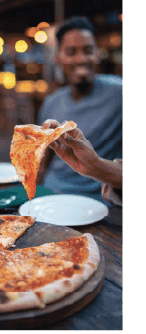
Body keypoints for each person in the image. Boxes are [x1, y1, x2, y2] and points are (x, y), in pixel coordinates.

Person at [35, 16, 122, 204]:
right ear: (58, 58)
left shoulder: (118, 92)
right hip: (50, 194)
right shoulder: (51, 102)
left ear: (98, 54)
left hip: (97, 201)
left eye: (88, 51)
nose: (81, 59)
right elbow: (43, 158)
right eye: (71, 52)